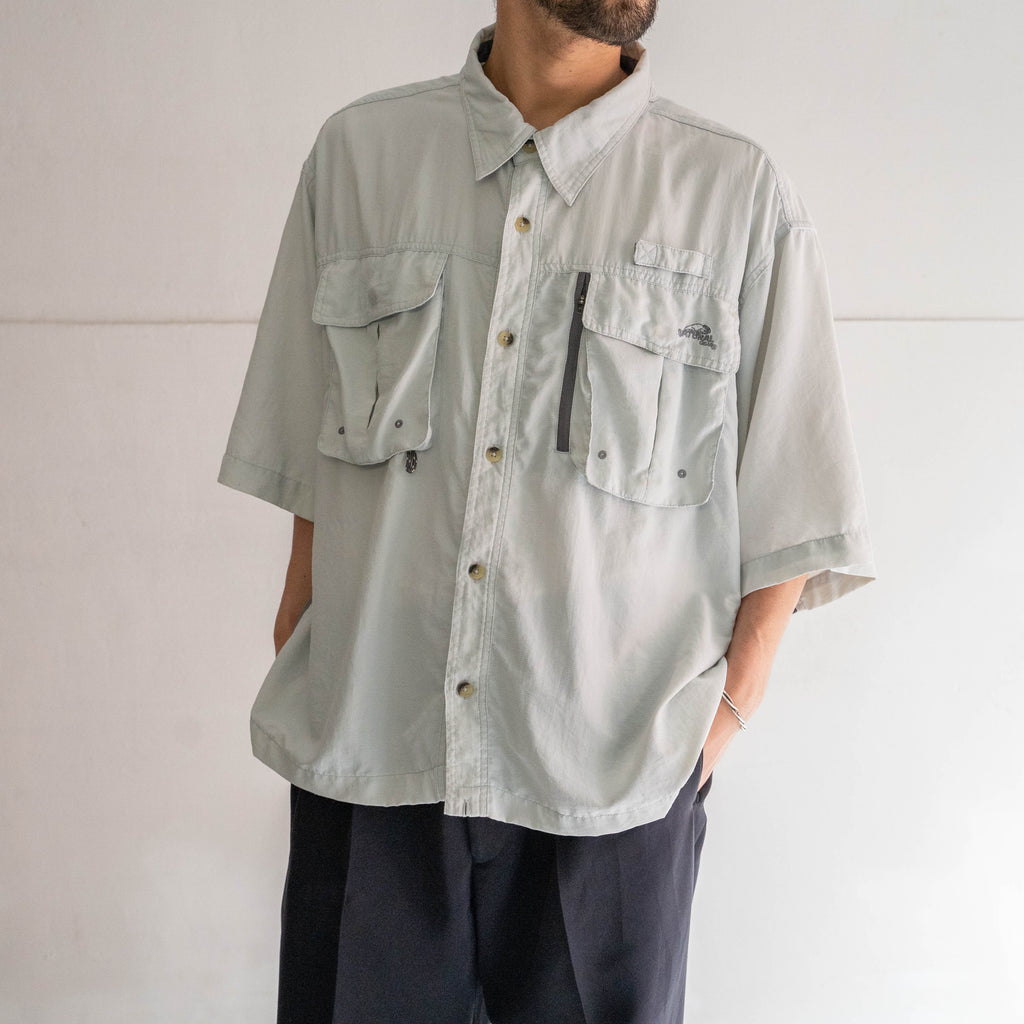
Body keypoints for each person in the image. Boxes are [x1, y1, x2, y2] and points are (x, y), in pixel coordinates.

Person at [216, 1, 876, 1021]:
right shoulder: (359, 158)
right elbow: (308, 460)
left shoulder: (735, 193)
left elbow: (796, 500)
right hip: (373, 760)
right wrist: (304, 633)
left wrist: (718, 726)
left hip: (613, 789)